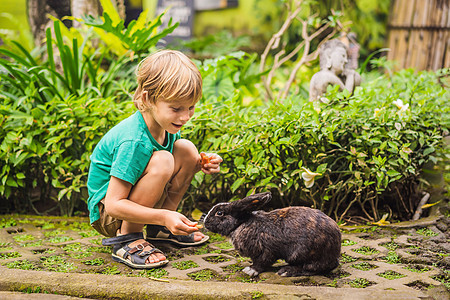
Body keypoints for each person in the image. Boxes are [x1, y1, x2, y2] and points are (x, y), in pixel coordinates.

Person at [87, 50, 223, 269]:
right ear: (147, 99)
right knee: (163, 161)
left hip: (134, 202)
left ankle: (160, 230)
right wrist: (162, 215)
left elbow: (167, 165)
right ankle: (128, 238)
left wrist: (200, 164)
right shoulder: (134, 141)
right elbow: (113, 205)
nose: (185, 116)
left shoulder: (164, 126)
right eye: (176, 108)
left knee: (187, 150)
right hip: (109, 214)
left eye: (191, 107)